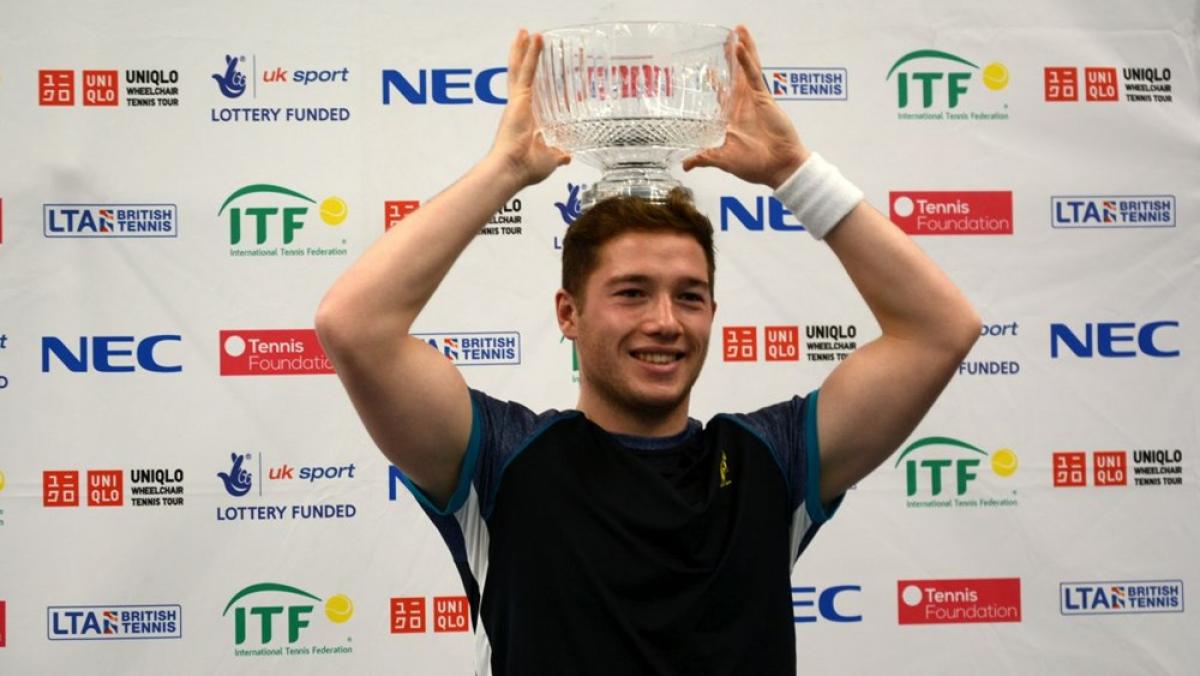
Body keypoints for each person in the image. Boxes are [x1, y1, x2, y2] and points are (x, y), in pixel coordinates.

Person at [315, 25, 980, 676]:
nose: (665, 321)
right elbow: (354, 326)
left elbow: (941, 329)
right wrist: (506, 169)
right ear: (567, 314)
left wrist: (793, 173)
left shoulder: (770, 464)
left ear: (713, 314)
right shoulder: (501, 462)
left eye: (689, 296)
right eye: (632, 292)